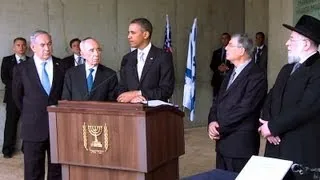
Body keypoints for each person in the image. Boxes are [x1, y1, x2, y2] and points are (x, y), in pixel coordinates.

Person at [259, 15, 320, 180]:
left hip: (299, 149)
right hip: (275, 146)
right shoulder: (287, 68)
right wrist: (267, 124)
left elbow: (306, 108)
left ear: (306, 44)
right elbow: (271, 97)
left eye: (292, 39)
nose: (287, 44)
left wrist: (273, 126)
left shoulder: (317, 69)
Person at [208, 34, 267, 173]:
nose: (226, 47)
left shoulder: (256, 75)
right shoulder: (230, 73)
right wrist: (212, 121)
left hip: (240, 145)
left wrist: (220, 127)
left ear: (241, 51)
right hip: (223, 143)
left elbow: (245, 108)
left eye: (230, 45)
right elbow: (217, 100)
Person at [12, 30, 63, 180]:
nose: (47, 48)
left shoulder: (62, 65)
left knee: (57, 170)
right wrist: (33, 111)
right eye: (42, 45)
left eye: (49, 44)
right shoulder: (21, 69)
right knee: (33, 170)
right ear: (33, 47)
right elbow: (17, 97)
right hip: (32, 127)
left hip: (57, 127)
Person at [117, 18, 175, 103]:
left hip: (156, 112)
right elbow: (121, 88)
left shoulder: (163, 57)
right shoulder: (127, 58)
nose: (129, 36)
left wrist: (139, 94)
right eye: (128, 33)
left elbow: (166, 90)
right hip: (131, 111)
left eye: (133, 33)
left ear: (145, 35)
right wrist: (131, 98)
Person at [1, 37, 29, 158]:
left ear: (26, 47)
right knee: (10, 124)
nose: (21, 47)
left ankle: (26, 148)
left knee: (28, 123)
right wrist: (18, 88)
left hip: (28, 98)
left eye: (23, 45)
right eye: (18, 45)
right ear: (14, 47)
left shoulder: (31, 60)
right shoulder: (7, 60)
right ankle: (7, 150)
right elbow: (4, 78)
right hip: (12, 97)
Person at [210, 33, 233, 97]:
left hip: (229, 80)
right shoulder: (216, 52)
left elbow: (236, 65)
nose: (224, 40)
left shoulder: (233, 51)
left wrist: (227, 68)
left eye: (226, 38)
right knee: (216, 100)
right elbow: (212, 65)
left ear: (229, 40)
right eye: (223, 38)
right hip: (217, 81)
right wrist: (218, 67)